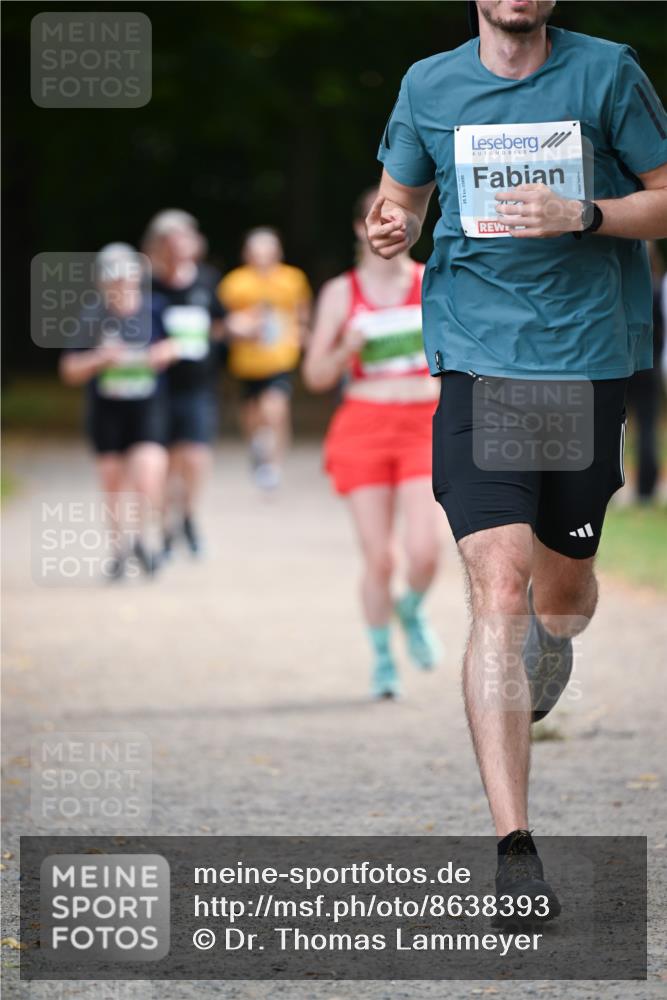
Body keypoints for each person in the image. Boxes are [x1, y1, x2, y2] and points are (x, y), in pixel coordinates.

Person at [368, 0, 667, 918]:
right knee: (496, 586)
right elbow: (400, 203)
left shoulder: (605, 71)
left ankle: (554, 628)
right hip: (477, 363)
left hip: (584, 362)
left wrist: (582, 212)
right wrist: (389, 227)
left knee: (561, 595)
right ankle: (514, 848)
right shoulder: (430, 84)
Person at [304, 189, 443, 698]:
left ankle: (410, 609)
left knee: (425, 551)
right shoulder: (341, 293)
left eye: (400, 220)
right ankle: (383, 658)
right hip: (362, 425)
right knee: (379, 558)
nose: (388, 228)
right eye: (377, 219)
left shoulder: (432, 282)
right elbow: (315, 375)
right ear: (361, 228)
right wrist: (345, 349)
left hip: (422, 424)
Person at [59, 243, 175, 578]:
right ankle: (119, 549)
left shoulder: (155, 309)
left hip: (147, 406)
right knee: (112, 482)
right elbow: (69, 369)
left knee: (149, 474)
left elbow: (178, 344)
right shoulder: (93, 315)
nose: (121, 284)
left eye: (127, 277)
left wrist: (162, 353)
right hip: (107, 409)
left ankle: (142, 538)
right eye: (114, 279)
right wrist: (99, 358)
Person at [142, 210, 226, 557]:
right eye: (170, 244)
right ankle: (164, 530)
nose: (179, 250)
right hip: (157, 387)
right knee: (164, 463)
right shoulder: (148, 284)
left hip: (198, 385)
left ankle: (188, 515)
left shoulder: (206, 280)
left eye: (184, 242)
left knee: (195, 457)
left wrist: (219, 337)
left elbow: (220, 323)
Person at [218, 228, 311, 493]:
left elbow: (302, 311)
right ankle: (257, 448)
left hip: (280, 358)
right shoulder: (234, 283)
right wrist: (238, 328)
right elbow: (223, 322)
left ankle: (274, 465)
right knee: (251, 414)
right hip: (246, 361)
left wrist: (302, 332)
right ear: (247, 254)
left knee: (275, 407)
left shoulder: (292, 279)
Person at [626, 241, 664, 502]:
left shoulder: (620, 291)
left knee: (611, 427)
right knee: (648, 428)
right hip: (647, 365)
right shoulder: (657, 289)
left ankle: (617, 484)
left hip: (622, 367)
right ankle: (645, 487)